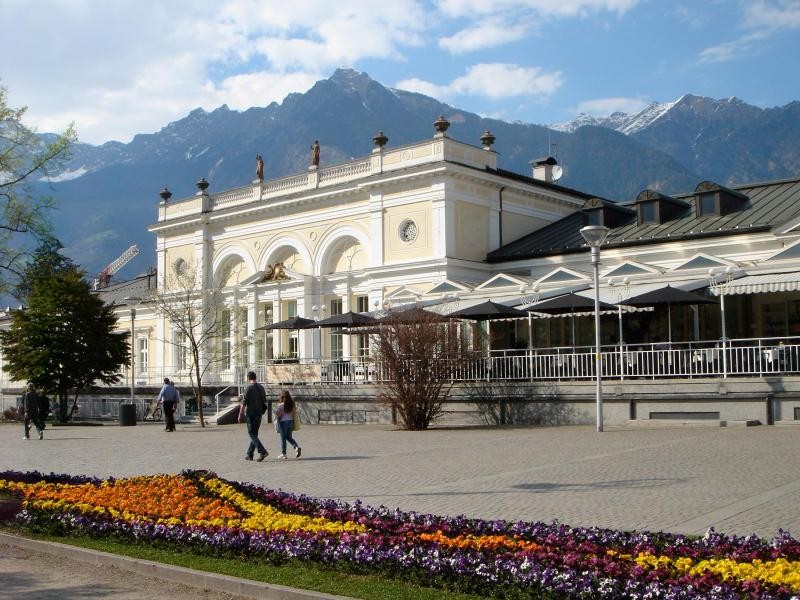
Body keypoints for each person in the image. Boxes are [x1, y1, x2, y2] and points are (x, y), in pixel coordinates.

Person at [239, 371, 268, 461]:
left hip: (250, 414)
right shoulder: (261, 387)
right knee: (254, 434)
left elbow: (244, 402)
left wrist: (240, 414)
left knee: (252, 434)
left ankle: (262, 451)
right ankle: (250, 454)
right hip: (259, 414)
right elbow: (264, 401)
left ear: (248, 378)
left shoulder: (248, 388)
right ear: (255, 377)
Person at [274, 390, 301, 459]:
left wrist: (276, 412)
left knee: (283, 438)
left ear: (282, 397)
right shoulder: (292, 404)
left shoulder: (281, 405)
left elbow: (278, 414)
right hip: (290, 421)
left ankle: (284, 454)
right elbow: (293, 413)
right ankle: (296, 447)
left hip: (283, 422)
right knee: (289, 437)